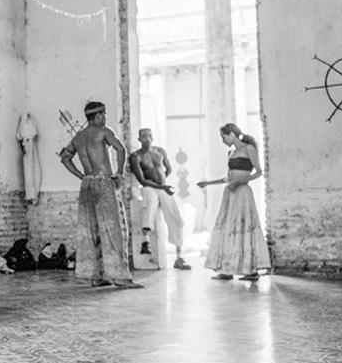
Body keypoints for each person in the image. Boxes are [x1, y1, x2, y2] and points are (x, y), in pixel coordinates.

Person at [59, 101, 144, 289]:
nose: (105, 118)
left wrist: (82, 175)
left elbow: (65, 158)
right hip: (104, 183)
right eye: (104, 114)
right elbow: (121, 149)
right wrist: (119, 174)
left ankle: (96, 276)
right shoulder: (103, 132)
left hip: (87, 184)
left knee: (91, 230)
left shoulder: (78, 137)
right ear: (97, 116)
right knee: (113, 231)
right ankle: (120, 277)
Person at [197, 122, 271, 281]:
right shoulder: (230, 153)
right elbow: (228, 177)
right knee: (228, 227)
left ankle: (251, 271)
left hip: (243, 193)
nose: (223, 141)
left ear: (231, 134)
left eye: (224, 137)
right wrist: (208, 183)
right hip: (230, 193)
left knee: (245, 227)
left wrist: (243, 181)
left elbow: (259, 172)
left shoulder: (249, 149)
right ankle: (227, 269)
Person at [129, 128, 190, 269]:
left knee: (175, 217)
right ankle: (146, 241)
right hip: (149, 188)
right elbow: (142, 181)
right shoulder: (136, 157)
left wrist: (162, 184)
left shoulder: (160, 152)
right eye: (144, 136)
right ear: (139, 139)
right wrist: (161, 187)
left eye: (149, 135)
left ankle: (179, 257)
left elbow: (168, 169)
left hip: (162, 187)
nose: (147, 138)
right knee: (151, 202)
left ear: (153, 137)